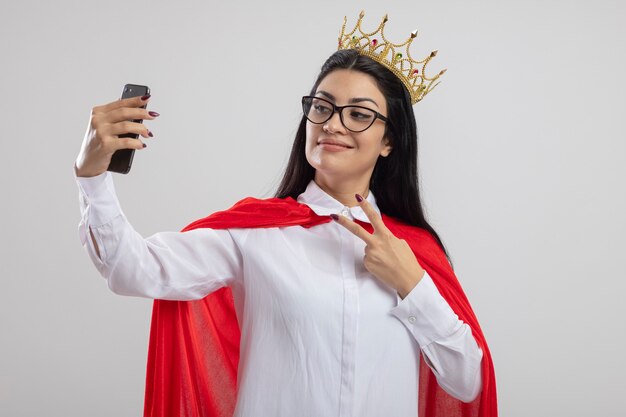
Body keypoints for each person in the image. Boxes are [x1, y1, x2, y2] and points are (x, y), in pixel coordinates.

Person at [74, 12, 496, 417]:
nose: (332, 124)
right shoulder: (255, 234)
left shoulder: (414, 253)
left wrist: (412, 284)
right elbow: (132, 269)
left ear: (389, 140)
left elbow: (467, 382)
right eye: (322, 107)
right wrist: (92, 176)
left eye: (359, 114)